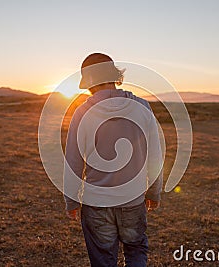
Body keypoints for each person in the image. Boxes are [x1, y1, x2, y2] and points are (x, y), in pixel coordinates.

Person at [63, 53, 163, 267]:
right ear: (114, 75)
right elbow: (155, 156)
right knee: (136, 251)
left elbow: (73, 161)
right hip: (133, 201)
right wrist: (154, 192)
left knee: (103, 260)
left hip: (96, 204)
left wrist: (71, 200)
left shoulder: (82, 112)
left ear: (88, 82)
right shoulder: (143, 107)